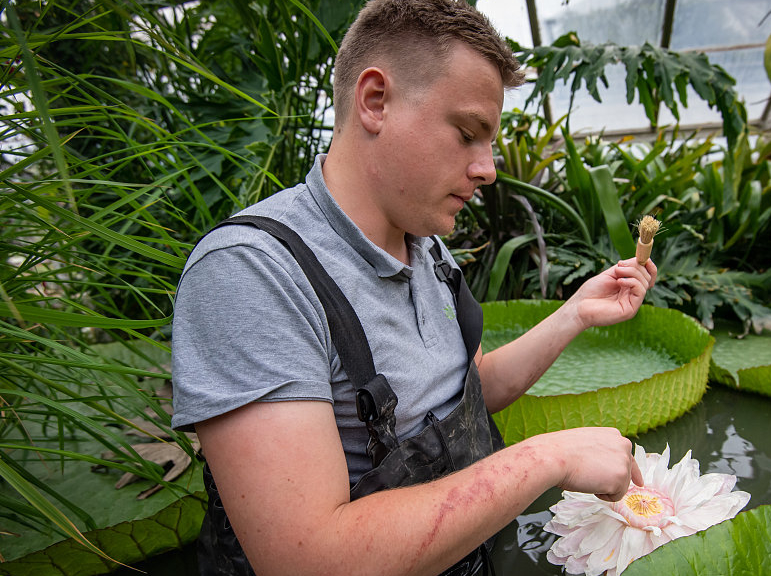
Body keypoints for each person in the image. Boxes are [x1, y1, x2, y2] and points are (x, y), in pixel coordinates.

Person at [170, 1, 658, 575]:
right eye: (468, 133)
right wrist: (545, 457)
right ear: (375, 101)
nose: (489, 168)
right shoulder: (252, 273)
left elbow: (464, 396)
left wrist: (574, 314)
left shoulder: (428, 250)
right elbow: (305, 559)